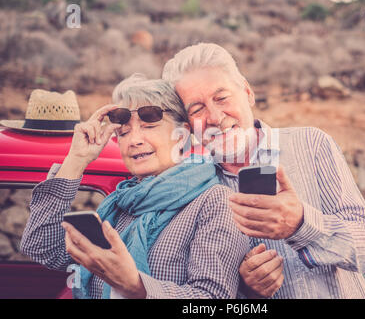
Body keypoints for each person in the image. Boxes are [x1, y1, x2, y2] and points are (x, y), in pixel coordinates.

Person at [162, 43, 365, 298]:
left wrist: (300, 224)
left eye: (222, 98)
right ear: (187, 123)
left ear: (248, 92)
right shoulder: (197, 187)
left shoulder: (311, 144)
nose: (215, 116)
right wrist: (246, 289)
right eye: (197, 109)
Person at [20, 75, 249, 299]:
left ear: (182, 135)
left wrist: (135, 286)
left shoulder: (216, 202)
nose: (133, 140)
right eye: (124, 132)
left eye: (149, 126)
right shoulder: (119, 205)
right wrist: (76, 159)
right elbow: (42, 248)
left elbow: (213, 296)